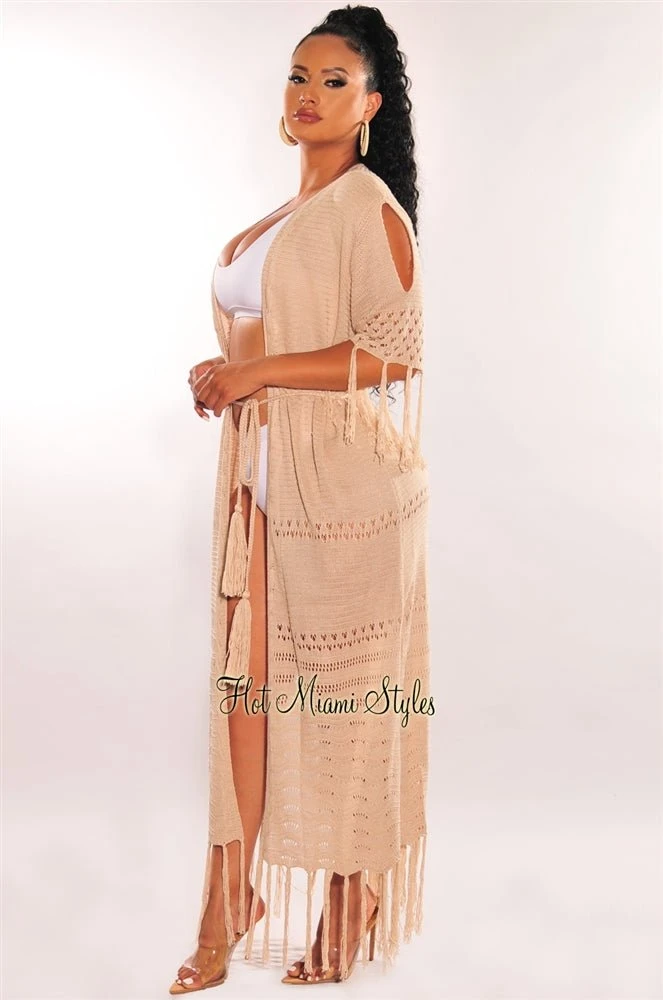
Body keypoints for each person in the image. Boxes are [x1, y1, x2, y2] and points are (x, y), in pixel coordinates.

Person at [169, 4, 431, 992]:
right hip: (264, 483)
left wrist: (259, 372)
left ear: (369, 106)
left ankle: (354, 900)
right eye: (297, 75)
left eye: (332, 80)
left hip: (350, 493)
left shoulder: (370, 208)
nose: (308, 94)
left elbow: (396, 354)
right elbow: (262, 331)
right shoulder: (279, 218)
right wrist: (227, 374)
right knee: (246, 698)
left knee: (348, 708)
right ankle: (230, 898)